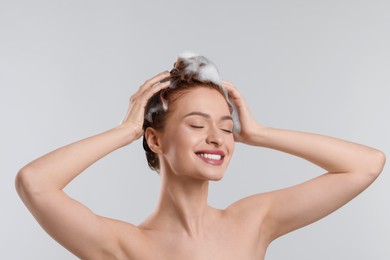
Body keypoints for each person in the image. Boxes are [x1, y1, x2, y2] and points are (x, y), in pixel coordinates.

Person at [16, 52, 386, 260]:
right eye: (197, 125)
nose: (217, 139)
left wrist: (259, 133)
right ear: (155, 140)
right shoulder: (126, 246)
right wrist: (125, 131)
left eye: (226, 128)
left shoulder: (253, 222)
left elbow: (366, 165)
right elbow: (35, 183)